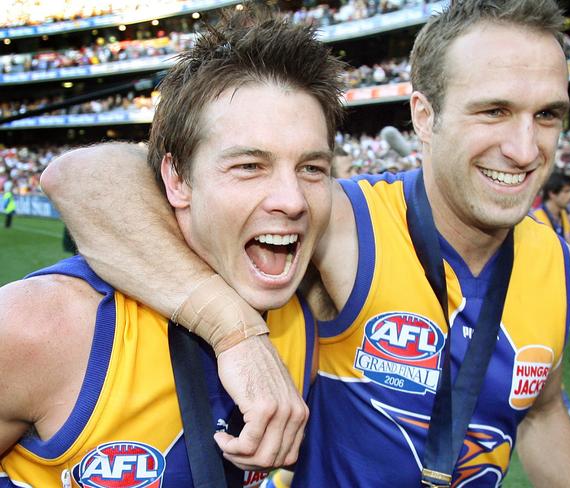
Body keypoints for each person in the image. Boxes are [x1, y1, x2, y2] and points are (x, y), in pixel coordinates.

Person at [43, 0, 570, 485]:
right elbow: (84, 177)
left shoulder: (558, 266)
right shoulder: (346, 219)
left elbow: (540, 411)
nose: (525, 148)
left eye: (547, 115)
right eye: (494, 110)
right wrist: (236, 334)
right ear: (424, 116)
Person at [0, 10, 345, 487]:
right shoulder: (45, 326)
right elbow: (82, 172)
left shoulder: (312, 313)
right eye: (249, 166)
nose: (292, 200)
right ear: (177, 180)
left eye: (312, 168)